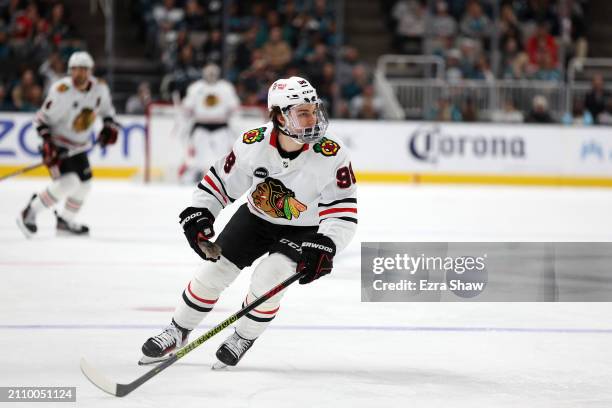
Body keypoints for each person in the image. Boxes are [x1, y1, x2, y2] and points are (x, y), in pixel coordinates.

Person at [139, 76, 357, 368]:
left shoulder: (332, 154)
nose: (313, 118)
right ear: (280, 116)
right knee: (213, 271)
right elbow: (219, 184)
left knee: (270, 277)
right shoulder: (252, 143)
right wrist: (200, 213)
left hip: (305, 228)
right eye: (302, 112)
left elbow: (343, 210)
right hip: (256, 218)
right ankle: (178, 329)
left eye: (314, 109)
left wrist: (326, 244)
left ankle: (243, 335)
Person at [16, 51, 119, 237]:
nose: (79, 74)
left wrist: (109, 125)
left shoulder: (99, 89)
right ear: (70, 71)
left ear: (90, 71)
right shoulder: (61, 90)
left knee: (85, 185)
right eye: (75, 70)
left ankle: (65, 221)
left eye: (83, 70)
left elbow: (107, 112)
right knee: (69, 182)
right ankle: (29, 212)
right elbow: (40, 120)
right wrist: (48, 143)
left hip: (79, 147)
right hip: (57, 146)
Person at [178, 63, 240, 183]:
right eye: (209, 72)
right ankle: (195, 178)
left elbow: (234, 107)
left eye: (213, 73)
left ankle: (223, 180)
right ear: (204, 73)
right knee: (199, 157)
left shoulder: (226, 87)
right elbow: (187, 107)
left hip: (221, 127)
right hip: (201, 127)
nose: (211, 75)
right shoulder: (196, 88)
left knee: (223, 156)